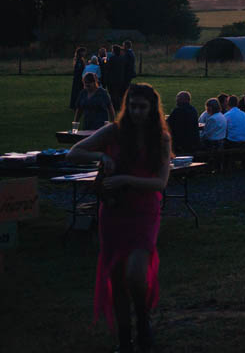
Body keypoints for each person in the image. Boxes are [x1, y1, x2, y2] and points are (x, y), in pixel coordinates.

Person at [67, 83, 171, 353]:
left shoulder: (161, 138)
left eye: (142, 107)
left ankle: (143, 320)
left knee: (136, 274)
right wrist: (101, 154)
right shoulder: (113, 132)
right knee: (116, 276)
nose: (136, 111)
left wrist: (124, 178)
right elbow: (74, 152)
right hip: (114, 212)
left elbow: (160, 183)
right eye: (132, 106)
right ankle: (125, 339)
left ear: (152, 109)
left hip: (144, 211)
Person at [107, 45, 128, 111]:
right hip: (120, 78)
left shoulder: (112, 59)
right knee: (118, 93)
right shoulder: (122, 59)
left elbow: (108, 68)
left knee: (113, 93)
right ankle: (118, 106)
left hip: (112, 79)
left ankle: (114, 106)